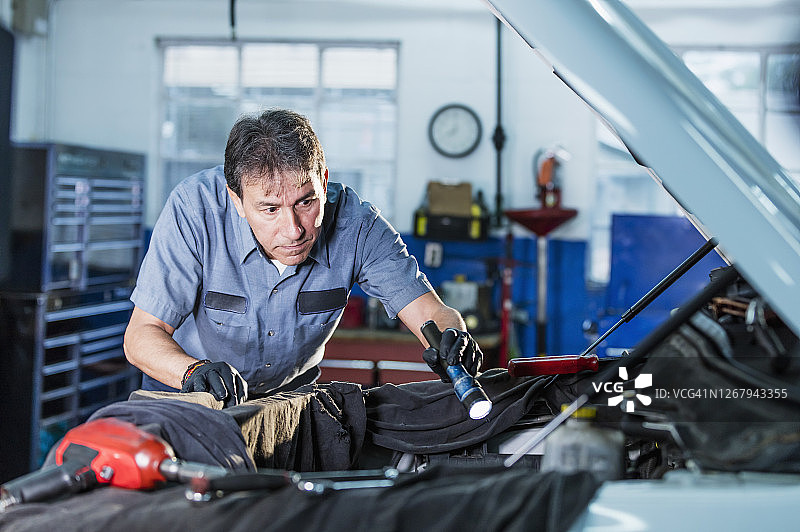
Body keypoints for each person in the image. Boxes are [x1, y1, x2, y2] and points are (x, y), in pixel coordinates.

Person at [123, 108, 482, 406]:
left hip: (287, 407)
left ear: (324, 182)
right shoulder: (195, 210)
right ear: (237, 200)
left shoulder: (357, 225)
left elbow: (429, 312)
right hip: (185, 399)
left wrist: (455, 337)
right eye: (269, 209)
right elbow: (141, 335)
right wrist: (192, 372)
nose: (293, 229)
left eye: (306, 202)